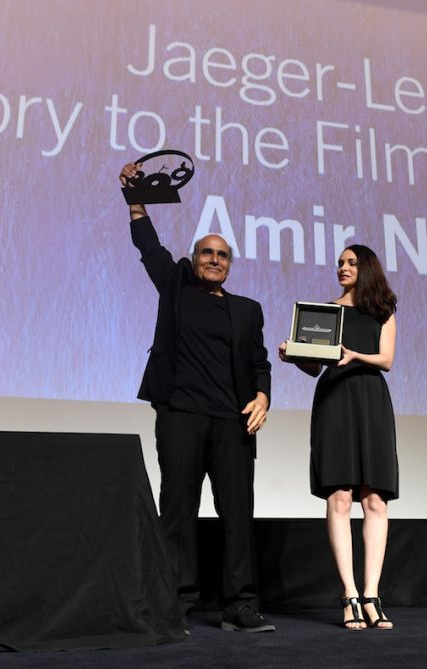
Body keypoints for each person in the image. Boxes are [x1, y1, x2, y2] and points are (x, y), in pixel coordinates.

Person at [119, 162, 275, 633]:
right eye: (206, 252)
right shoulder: (177, 287)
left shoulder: (248, 310)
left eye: (222, 255)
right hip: (182, 415)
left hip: (233, 422)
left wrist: (263, 395)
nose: (213, 259)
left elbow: (259, 362)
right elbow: (149, 248)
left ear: (230, 264)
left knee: (237, 515)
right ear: (194, 258)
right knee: (178, 514)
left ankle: (240, 605)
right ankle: (176, 602)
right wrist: (136, 201)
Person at [278, 244, 398, 630]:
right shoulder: (325, 312)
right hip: (335, 401)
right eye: (339, 264)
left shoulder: (383, 310)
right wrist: (294, 355)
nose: (342, 268)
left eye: (350, 263)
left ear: (367, 268)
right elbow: (315, 366)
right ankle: (348, 595)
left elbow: (387, 359)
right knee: (340, 497)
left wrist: (354, 355)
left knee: (375, 499)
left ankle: (372, 595)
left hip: (370, 400)